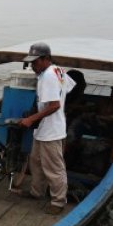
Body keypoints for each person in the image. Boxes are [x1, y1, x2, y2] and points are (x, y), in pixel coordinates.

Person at [17, 42, 75, 215]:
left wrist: (31, 119)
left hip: (51, 132)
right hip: (43, 130)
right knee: (35, 161)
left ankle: (58, 202)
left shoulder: (49, 75)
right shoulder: (58, 70)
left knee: (54, 168)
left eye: (35, 62)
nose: (32, 65)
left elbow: (54, 105)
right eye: (31, 62)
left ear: (46, 59)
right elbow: (70, 88)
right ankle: (37, 192)